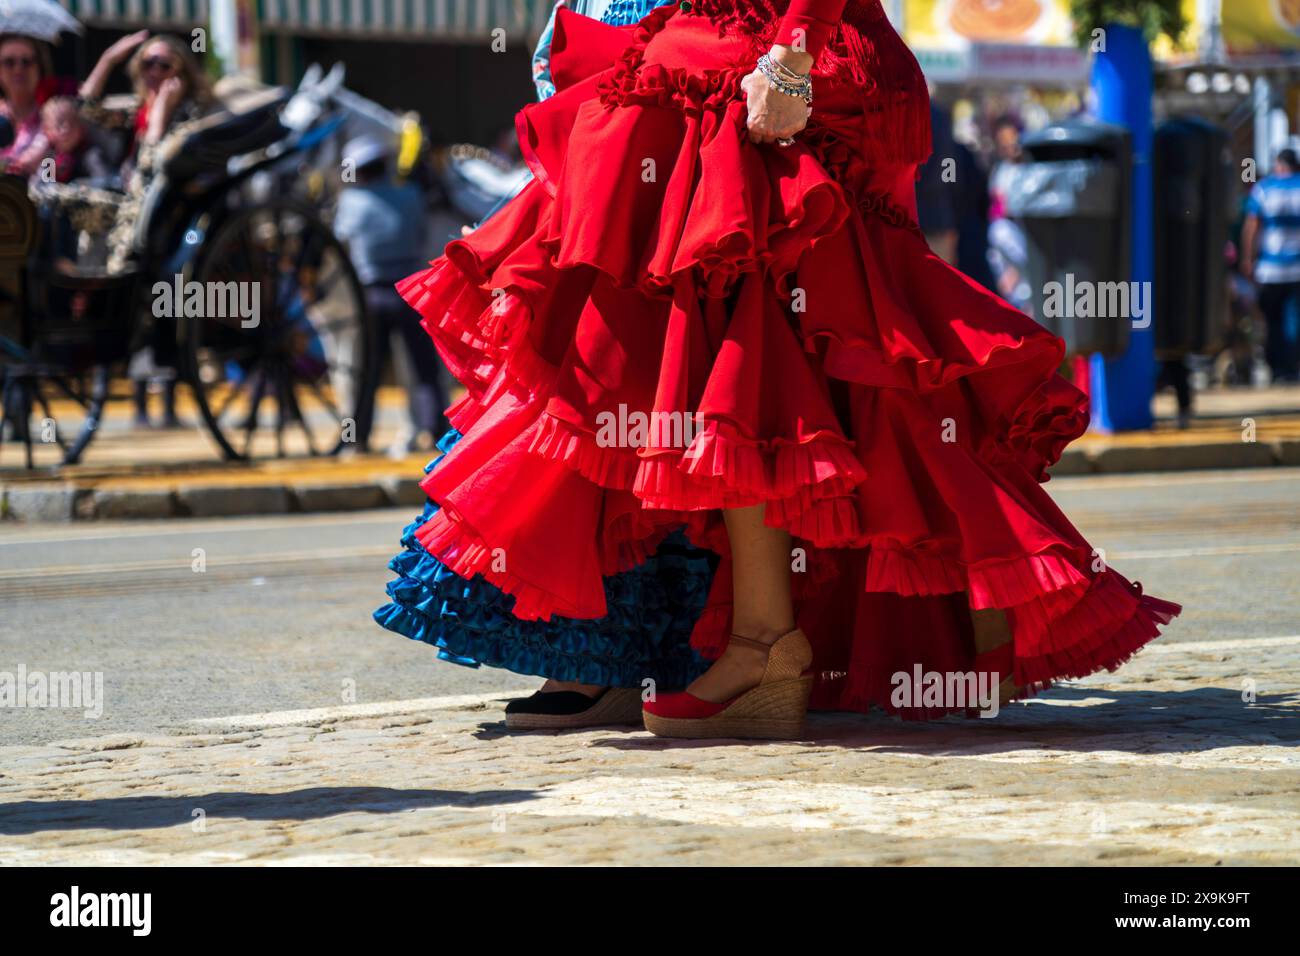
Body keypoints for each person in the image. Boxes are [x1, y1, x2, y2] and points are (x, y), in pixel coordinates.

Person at [375, 0, 1181, 739]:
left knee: (765, 337)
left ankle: (774, 642)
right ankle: (662, 647)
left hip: (785, 63)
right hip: (729, 53)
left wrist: (789, 58)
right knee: (720, 340)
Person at [334, 134, 450, 455]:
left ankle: (358, 438)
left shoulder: (350, 202)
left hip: (371, 294)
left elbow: (339, 241)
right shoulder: (411, 195)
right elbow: (421, 233)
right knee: (424, 368)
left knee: (368, 372)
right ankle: (437, 431)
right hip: (410, 292)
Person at [1241, 147, 1300, 383]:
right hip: (1297, 267)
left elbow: (1252, 226)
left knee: (1273, 321)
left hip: (1270, 268)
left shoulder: (1264, 188)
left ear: (1278, 164)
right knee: (1294, 318)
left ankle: (1278, 368)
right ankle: (1292, 366)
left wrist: (1248, 258)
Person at [0, 34, 52, 176]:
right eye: (9, 62)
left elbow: (51, 179)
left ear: (39, 67)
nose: (18, 69)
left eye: (27, 61)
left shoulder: (54, 119)